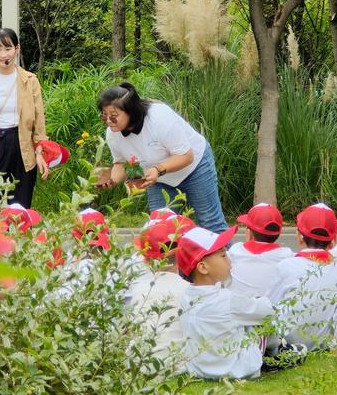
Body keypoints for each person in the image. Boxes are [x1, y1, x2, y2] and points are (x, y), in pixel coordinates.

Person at [95, 82, 228, 234]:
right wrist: (110, 181)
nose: (108, 121)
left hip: (194, 167)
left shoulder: (159, 118)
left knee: (210, 223)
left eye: (113, 116)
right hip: (157, 178)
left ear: (131, 111)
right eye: (104, 115)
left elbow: (186, 156)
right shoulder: (113, 133)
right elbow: (121, 163)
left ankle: (229, 257)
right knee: (159, 230)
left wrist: (157, 170)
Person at [177, 226, 274, 380]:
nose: (230, 260)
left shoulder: (185, 296)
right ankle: (277, 352)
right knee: (262, 321)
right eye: (223, 256)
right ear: (203, 267)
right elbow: (267, 311)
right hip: (235, 370)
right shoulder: (227, 300)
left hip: (198, 369)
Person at [0, 28, 49, 208]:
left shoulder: (30, 80)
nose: (3, 54)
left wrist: (40, 151)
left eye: (8, 48)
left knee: (21, 206)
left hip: (23, 145)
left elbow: (39, 119)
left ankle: (18, 236)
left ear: (17, 48)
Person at [267, 203, 337, 351]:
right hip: (321, 346)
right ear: (333, 242)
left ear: (300, 237)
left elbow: (270, 306)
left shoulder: (286, 266)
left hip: (285, 346)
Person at [129, 214, 195, 363]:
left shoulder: (137, 288)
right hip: (176, 364)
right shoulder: (189, 290)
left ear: (144, 259)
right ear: (180, 253)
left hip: (136, 363)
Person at [228, 203, 293, 297]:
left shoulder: (236, 250)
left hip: (238, 308)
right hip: (271, 309)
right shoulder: (287, 255)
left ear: (249, 232)